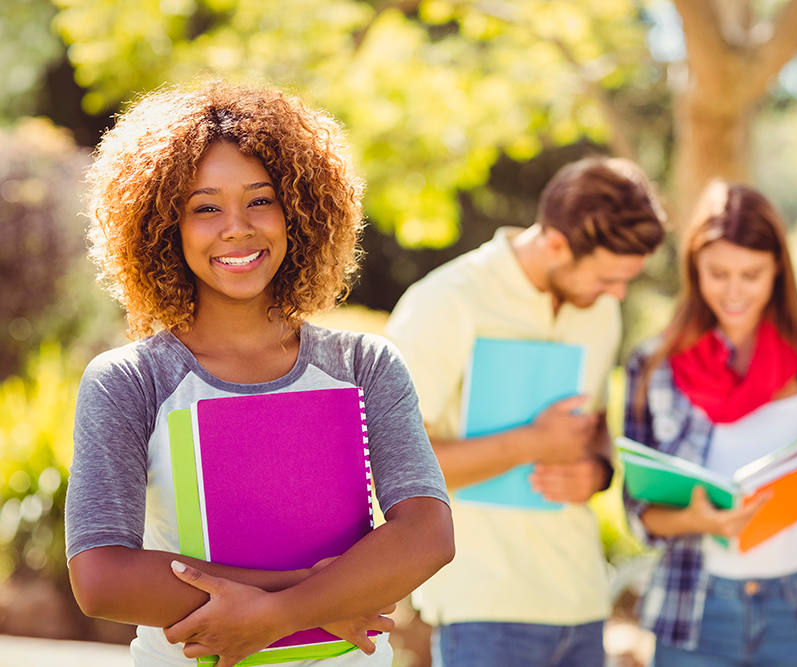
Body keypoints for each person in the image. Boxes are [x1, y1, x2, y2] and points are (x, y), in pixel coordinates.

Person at [64, 82, 455, 667]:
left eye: (260, 199)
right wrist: (313, 594)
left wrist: (275, 615)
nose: (237, 227)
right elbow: (101, 577)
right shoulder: (129, 380)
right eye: (205, 207)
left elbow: (427, 535)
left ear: (299, 211)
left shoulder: (364, 367)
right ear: (161, 225)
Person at [384, 156, 666, 667]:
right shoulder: (447, 302)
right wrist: (531, 443)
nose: (618, 295)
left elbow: (595, 425)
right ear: (557, 243)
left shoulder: (598, 309)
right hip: (484, 608)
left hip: (581, 600)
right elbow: (390, 464)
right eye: (607, 278)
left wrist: (597, 469)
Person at [622, 181, 797, 667]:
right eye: (717, 273)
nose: (733, 292)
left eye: (751, 274)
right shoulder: (653, 366)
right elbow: (638, 511)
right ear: (694, 270)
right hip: (696, 614)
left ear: (778, 270)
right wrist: (699, 521)